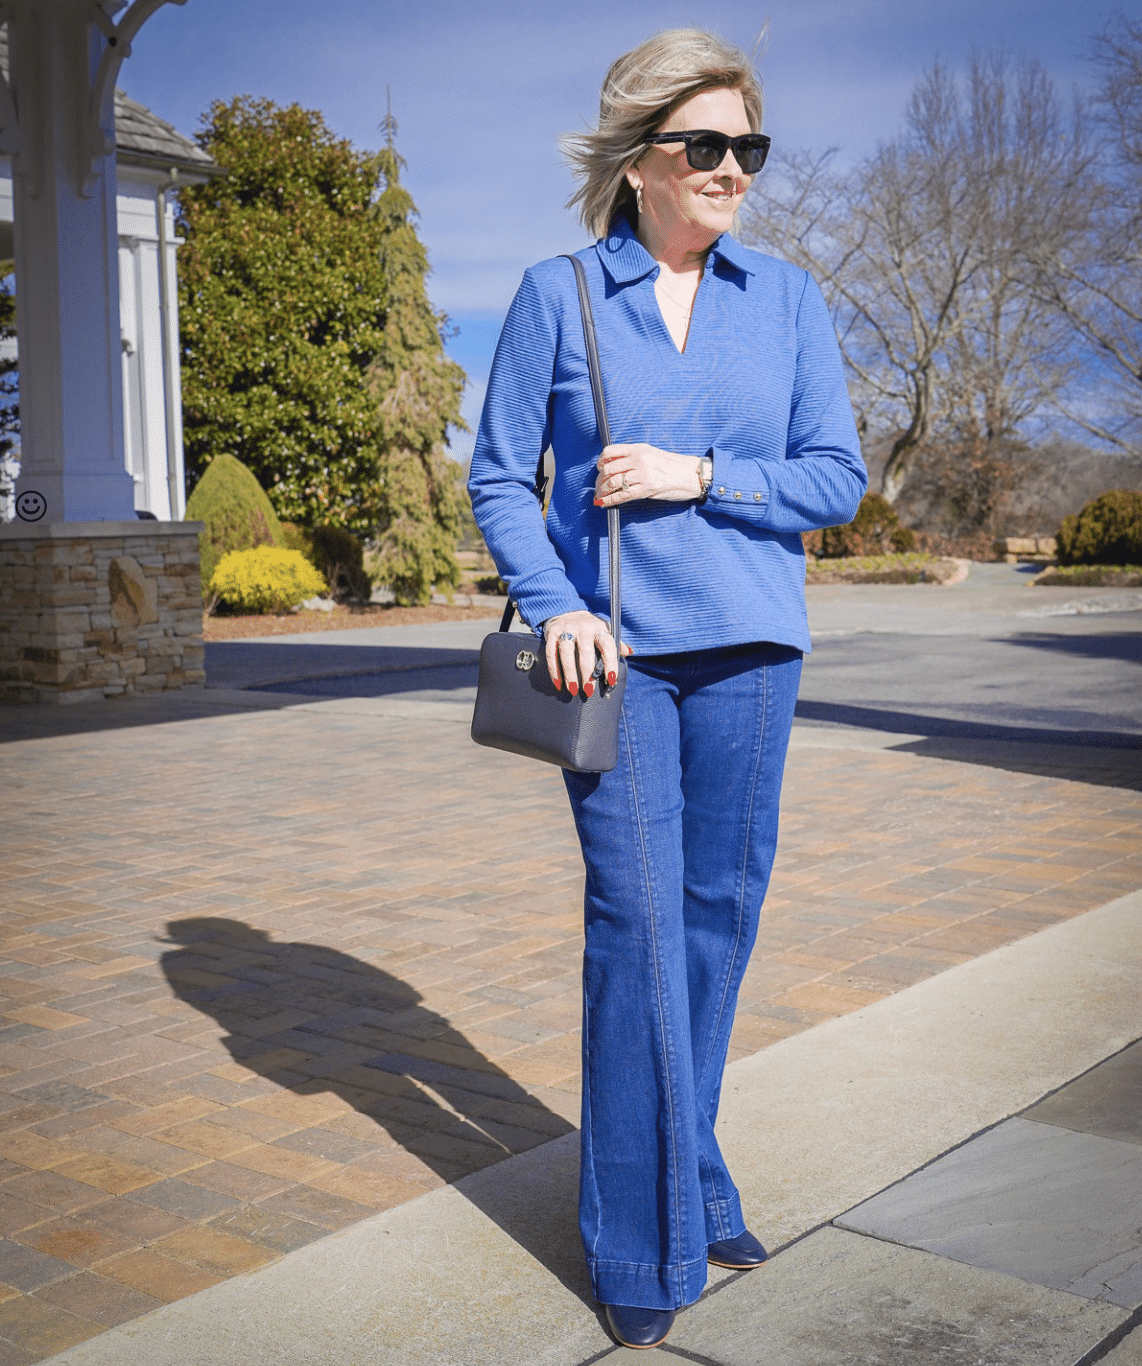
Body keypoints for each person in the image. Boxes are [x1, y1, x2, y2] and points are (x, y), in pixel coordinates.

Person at [468, 27, 866, 1351]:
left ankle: (690, 1172)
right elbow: (495, 480)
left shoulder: (788, 301)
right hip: (616, 660)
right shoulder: (558, 293)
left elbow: (834, 478)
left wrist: (701, 476)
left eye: (747, 148)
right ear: (639, 157)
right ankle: (639, 1244)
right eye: (706, 146)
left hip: (752, 646)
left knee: (713, 926)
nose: (731, 170)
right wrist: (554, 603)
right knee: (636, 931)